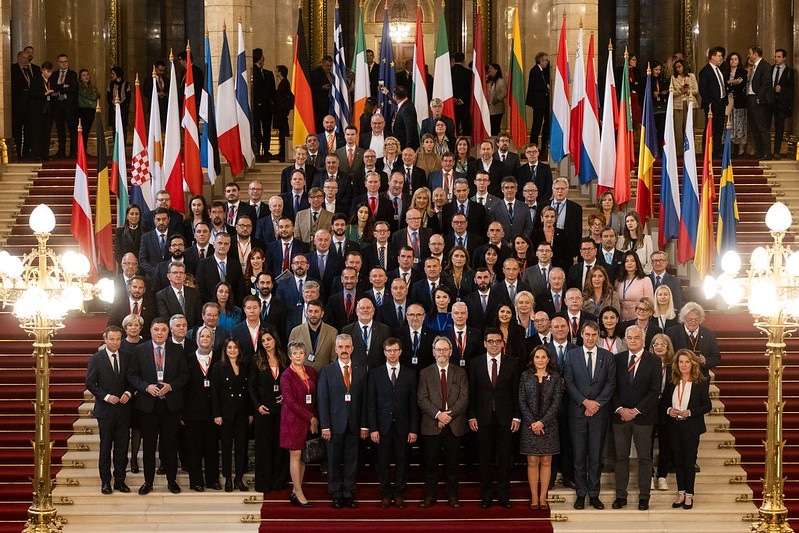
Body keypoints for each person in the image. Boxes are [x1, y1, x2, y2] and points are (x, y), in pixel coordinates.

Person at [127, 317, 188, 495]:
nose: (160, 333)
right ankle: (148, 482)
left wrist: (171, 386)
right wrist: (146, 387)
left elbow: (185, 375)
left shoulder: (177, 349)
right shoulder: (139, 350)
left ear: (168, 332)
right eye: (156, 329)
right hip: (148, 406)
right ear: (150, 331)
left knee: (170, 445)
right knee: (148, 447)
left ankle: (171, 481)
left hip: (170, 406)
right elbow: (132, 375)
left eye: (163, 330)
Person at [563, 321, 616, 510]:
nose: (590, 338)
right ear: (581, 335)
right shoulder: (571, 355)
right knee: (578, 456)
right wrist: (585, 402)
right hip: (577, 413)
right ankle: (580, 494)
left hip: (599, 414)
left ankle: (594, 494)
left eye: (594, 335)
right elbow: (568, 382)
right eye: (587, 334)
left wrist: (596, 404)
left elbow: (610, 384)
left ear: (598, 336)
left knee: (596, 456)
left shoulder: (607, 357)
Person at [468, 327, 521, 508]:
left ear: (502, 343)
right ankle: (486, 495)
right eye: (490, 341)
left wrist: (517, 416)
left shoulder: (512, 363)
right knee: (484, 458)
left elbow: (516, 392)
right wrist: (471, 415)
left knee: (504, 458)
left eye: (497, 341)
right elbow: (472, 392)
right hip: (482, 419)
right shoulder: (475, 363)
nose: (494, 344)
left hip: (506, 419)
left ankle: (504, 495)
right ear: (484, 343)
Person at [611, 325, 661, 511]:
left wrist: (636, 410)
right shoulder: (617, 359)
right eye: (629, 338)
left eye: (636, 337)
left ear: (643, 340)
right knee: (621, 457)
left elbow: (655, 390)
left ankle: (644, 497)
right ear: (625, 340)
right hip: (620, 417)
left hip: (643, 418)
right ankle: (620, 496)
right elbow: (611, 387)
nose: (633, 341)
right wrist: (620, 409)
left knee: (644, 458)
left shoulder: (654, 361)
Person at [317, 334, 369, 508]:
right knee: (333, 460)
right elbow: (322, 399)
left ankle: (348, 492)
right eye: (340, 347)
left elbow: (365, 400)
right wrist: (325, 426)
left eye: (347, 347)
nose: (344, 350)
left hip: (354, 424)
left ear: (352, 349)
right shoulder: (327, 371)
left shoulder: (361, 370)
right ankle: (335, 493)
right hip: (333, 425)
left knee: (351, 460)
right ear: (336, 349)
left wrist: (364, 425)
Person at [417, 336, 469, 508]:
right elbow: (422, 398)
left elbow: (464, 398)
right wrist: (438, 415)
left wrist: (448, 417)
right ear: (433, 352)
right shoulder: (425, 373)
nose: (442, 352)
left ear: (450, 352)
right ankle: (430, 496)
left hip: (454, 425)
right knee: (430, 464)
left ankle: (453, 497)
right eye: (438, 349)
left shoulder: (460, 372)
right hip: (432, 425)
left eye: (445, 349)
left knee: (452, 465)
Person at [367, 337, 419, 508]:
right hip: (382, 427)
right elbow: (371, 404)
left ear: (400, 352)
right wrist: (373, 428)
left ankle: (399, 493)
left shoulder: (410, 374)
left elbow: (413, 404)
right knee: (382, 461)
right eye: (389, 350)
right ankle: (385, 493)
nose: (392, 353)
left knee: (402, 460)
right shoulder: (375, 374)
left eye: (395, 350)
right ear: (384, 352)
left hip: (403, 427)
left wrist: (413, 429)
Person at [661, 349, 711, 509]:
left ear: (693, 363)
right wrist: (669, 410)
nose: (684, 365)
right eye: (681, 362)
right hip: (674, 426)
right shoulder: (672, 381)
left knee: (689, 462)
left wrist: (690, 412)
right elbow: (663, 402)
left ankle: (689, 494)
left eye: (687, 362)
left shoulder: (700, 382)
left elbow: (707, 405)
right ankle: (681, 493)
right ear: (677, 364)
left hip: (691, 428)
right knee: (678, 461)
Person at [86, 326, 131, 494]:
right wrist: (106, 397)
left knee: (122, 448)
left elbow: (132, 379)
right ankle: (105, 482)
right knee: (105, 447)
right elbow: (90, 383)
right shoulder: (96, 358)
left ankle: (120, 481)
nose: (115, 342)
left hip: (124, 410)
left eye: (118, 339)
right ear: (105, 339)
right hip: (105, 411)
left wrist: (128, 393)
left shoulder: (127, 356)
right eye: (111, 339)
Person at [519, 345, 563, 510]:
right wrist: (533, 423)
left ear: (548, 359)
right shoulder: (525, 376)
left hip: (549, 425)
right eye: (537, 357)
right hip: (530, 426)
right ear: (533, 359)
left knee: (546, 461)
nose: (540, 360)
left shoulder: (556, 377)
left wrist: (542, 422)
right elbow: (522, 401)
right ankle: (534, 497)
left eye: (543, 357)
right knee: (532, 461)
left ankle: (543, 498)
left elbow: (556, 403)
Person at [280, 341, 319, 507]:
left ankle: (296, 491)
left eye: (301, 353)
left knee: (303, 456)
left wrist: (313, 417)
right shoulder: (286, 376)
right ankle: (298, 491)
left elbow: (315, 396)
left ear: (305, 355)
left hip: (308, 420)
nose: (298, 356)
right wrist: (311, 417)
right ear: (290, 356)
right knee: (295, 455)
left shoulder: (311, 372)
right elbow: (289, 402)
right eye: (295, 353)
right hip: (293, 420)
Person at [249, 328, 288, 493]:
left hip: (281, 409)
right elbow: (251, 386)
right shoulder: (256, 359)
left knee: (279, 446)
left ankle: (278, 482)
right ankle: (263, 483)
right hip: (263, 409)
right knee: (263, 447)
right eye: (263, 340)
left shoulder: (284, 357)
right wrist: (257, 405)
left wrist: (286, 396)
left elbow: (290, 381)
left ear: (275, 340)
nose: (266, 343)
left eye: (269, 339)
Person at [182, 325, 220, 492]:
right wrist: (182, 412)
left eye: (208, 336)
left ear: (213, 340)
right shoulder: (188, 359)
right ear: (197, 339)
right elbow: (183, 387)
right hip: (192, 412)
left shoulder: (219, 358)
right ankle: (196, 481)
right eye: (202, 336)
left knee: (212, 447)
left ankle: (212, 480)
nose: (205, 339)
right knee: (194, 448)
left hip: (213, 412)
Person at [666, 302, 721, 378]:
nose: (693, 322)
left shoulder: (708, 334)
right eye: (690, 319)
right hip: (678, 377)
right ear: (684, 318)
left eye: (696, 319)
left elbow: (716, 358)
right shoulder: (672, 332)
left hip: (701, 377)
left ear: (701, 319)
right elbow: (667, 356)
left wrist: (704, 361)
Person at [650, 333, 676, 491]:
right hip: (649, 408)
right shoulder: (646, 363)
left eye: (663, 344)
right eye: (656, 344)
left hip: (667, 409)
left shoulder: (674, 366)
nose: (659, 347)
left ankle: (662, 476)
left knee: (666, 443)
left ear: (668, 347)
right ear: (652, 347)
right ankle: (649, 475)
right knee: (647, 443)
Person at [288, 299, 338, 371]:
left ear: (322, 313)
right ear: (306, 313)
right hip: (302, 374)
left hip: (324, 374)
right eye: (310, 311)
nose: (313, 315)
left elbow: (333, 358)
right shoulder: (295, 331)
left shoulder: (332, 332)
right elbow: (291, 357)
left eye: (316, 311)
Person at [746, 46, 773, 160]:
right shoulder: (754, 66)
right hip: (751, 98)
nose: (749, 55)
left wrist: (758, 97)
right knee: (754, 127)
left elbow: (766, 83)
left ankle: (767, 153)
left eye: (750, 53)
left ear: (755, 54)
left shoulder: (765, 66)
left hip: (759, 100)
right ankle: (759, 152)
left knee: (762, 127)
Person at [50, 54, 78, 158]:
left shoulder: (72, 74)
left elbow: (72, 89)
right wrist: (64, 87)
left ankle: (73, 152)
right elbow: (53, 87)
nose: (64, 64)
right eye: (61, 62)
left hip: (69, 107)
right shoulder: (54, 75)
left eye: (65, 61)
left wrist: (60, 89)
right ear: (58, 63)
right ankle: (61, 152)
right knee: (60, 130)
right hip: (57, 106)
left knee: (72, 130)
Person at [669, 59, 699, 156]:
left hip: (690, 104)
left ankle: (689, 151)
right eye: (676, 67)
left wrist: (688, 91)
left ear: (684, 66)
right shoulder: (673, 78)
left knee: (689, 127)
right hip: (678, 105)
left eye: (680, 67)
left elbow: (696, 90)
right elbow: (671, 92)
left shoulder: (691, 76)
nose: (678, 69)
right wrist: (680, 91)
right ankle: (679, 152)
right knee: (678, 129)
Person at [616, 252, 654, 322]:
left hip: (638, 319)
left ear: (637, 263)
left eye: (632, 261)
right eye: (626, 261)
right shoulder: (618, 281)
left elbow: (649, 303)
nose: (629, 263)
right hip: (621, 320)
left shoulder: (645, 280)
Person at [722, 53, 748, 155]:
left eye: (735, 59)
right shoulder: (725, 72)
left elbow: (741, 84)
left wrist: (730, 82)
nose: (733, 61)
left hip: (739, 102)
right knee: (728, 124)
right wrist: (732, 82)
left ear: (739, 61)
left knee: (739, 124)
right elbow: (724, 84)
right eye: (731, 59)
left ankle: (740, 148)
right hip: (727, 102)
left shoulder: (743, 72)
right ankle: (730, 147)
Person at [771, 48, 794, 159]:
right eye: (775, 56)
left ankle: (777, 151)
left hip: (781, 104)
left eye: (779, 57)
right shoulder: (770, 69)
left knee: (779, 128)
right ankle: (765, 151)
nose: (776, 59)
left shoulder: (789, 72)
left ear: (784, 58)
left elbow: (791, 89)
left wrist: (782, 89)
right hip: (769, 102)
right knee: (764, 126)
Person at [526, 52, 550, 150]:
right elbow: (534, 87)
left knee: (546, 122)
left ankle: (544, 144)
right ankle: (533, 145)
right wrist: (546, 87)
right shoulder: (535, 70)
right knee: (537, 125)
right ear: (540, 60)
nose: (547, 62)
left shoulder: (543, 71)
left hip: (544, 102)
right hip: (538, 103)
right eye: (545, 60)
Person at [274, 65, 293, 162]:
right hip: (282, 112)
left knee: (283, 132)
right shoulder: (283, 82)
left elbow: (281, 98)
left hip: (282, 112)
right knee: (282, 132)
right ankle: (282, 151)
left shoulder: (284, 83)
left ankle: (283, 152)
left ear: (280, 72)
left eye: (277, 71)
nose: (275, 73)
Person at [77, 69, 99, 148]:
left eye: (87, 75)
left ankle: (84, 150)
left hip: (91, 111)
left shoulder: (93, 87)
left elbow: (96, 96)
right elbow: (86, 98)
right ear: (80, 78)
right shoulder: (78, 87)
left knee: (87, 131)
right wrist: (91, 100)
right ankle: (80, 150)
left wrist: (91, 100)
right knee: (83, 131)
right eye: (83, 75)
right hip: (82, 111)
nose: (86, 77)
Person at [106, 66, 130, 136]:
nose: (111, 75)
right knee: (114, 128)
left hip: (123, 109)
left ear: (118, 74)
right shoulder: (111, 84)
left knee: (123, 128)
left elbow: (128, 98)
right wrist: (114, 104)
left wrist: (120, 105)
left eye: (113, 74)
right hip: (113, 109)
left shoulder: (126, 84)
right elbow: (108, 97)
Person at [487, 63, 507, 136]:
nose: (489, 70)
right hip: (490, 109)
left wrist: (496, 100)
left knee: (495, 127)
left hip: (497, 108)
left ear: (496, 70)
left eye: (491, 68)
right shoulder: (490, 81)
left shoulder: (500, 81)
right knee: (491, 127)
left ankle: (495, 140)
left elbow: (504, 93)